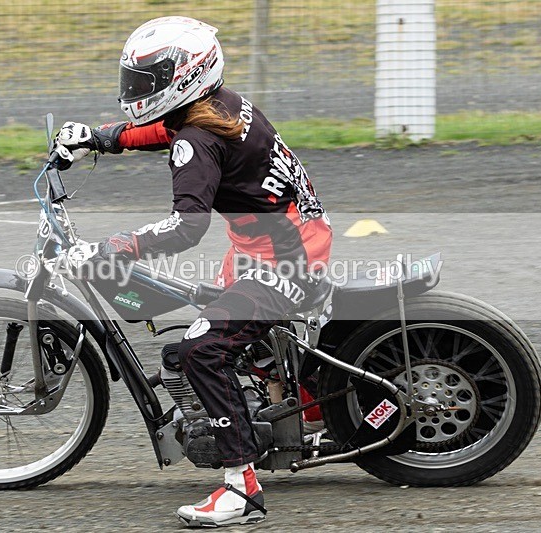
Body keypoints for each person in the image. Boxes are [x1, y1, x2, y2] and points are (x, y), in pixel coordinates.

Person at [52, 16, 332, 527]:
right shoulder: (221, 105)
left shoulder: (196, 144)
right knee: (228, 336)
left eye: (146, 81)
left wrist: (114, 248)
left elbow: (186, 228)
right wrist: (99, 137)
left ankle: (241, 492)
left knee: (203, 348)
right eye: (134, 80)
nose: (136, 91)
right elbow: (164, 127)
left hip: (286, 258)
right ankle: (302, 413)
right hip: (281, 239)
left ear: (184, 76)